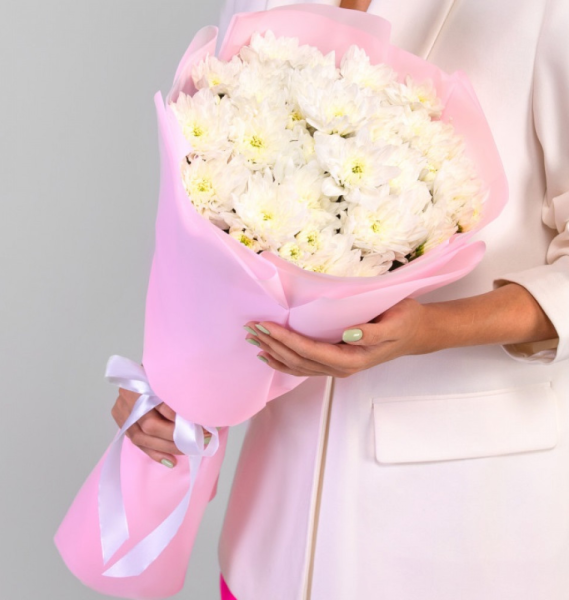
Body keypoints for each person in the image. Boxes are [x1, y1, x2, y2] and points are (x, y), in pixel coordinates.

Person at [112, 0, 569, 598]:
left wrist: (430, 330)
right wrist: (180, 379)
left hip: (457, 529)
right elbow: (225, 225)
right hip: (274, 533)